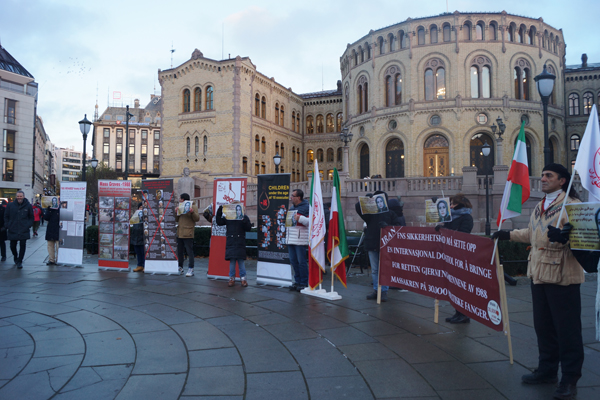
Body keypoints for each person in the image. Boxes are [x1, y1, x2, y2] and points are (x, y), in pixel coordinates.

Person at [492, 164, 584, 400]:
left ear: (562, 181)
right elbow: (532, 233)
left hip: (563, 277)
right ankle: (547, 370)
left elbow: (586, 238)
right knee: (544, 327)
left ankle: (570, 379)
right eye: (542, 175)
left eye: (548, 176)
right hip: (539, 274)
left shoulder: (572, 205)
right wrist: (507, 235)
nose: (542, 179)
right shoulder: (539, 206)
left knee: (567, 331)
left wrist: (567, 237)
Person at [355, 190, 402, 302]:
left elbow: (398, 227)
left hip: (385, 245)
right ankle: (376, 290)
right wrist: (366, 200)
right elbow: (358, 208)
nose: (379, 203)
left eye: (381, 200)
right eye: (377, 200)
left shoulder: (390, 213)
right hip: (372, 244)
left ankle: (384, 291)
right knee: (375, 270)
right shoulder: (370, 214)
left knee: (384, 269)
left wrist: (388, 226)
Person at [436, 194, 474, 323]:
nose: (450, 206)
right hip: (451, 254)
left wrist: (447, 229)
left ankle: (464, 314)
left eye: (452, 203)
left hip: (461, 256)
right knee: (453, 285)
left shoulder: (466, 217)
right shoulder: (450, 217)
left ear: (459, 204)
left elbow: (463, 235)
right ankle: (458, 312)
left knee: (460, 285)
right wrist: (441, 228)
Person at [216, 204, 252, 287]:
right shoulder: (229, 218)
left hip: (240, 242)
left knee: (241, 261)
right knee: (232, 261)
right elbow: (219, 222)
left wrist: (245, 221)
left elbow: (248, 228)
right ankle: (231, 278)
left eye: (239, 209)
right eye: (237, 209)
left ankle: (243, 279)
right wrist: (220, 211)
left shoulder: (244, 217)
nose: (238, 211)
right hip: (231, 241)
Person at [4, 190, 34, 269]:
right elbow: (6, 216)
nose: (19, 198)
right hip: (12, 229)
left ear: (23, 197)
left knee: (22, 245)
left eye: (20, 196)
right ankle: (15, 256)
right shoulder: (10, 205)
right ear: (16, 197)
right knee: (12, 246)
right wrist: (7, 225)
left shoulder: (28, 206)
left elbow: (31, 217)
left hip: (23, 229)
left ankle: (20, 261)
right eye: (18, 196)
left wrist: (28, 225)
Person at [287, 189, 310, 291]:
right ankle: (297, 281)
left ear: (299, 197)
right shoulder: (292, 207)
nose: (291, 197)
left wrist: (300, 218)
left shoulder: (307, 208)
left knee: (301, 262)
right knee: (294, 261)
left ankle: (304, 282)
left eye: (293, 196)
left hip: (300, 238)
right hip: (291, 237)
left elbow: (310, 222)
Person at [175, 193, 199, 276]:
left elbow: (197, 218)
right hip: (180, 232)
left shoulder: (193, 206)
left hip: (188, 233)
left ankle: (191, 268)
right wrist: (176, 212)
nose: (179, 200)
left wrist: (192, 212)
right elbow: (176, 219)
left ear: (183, 199)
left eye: (180, 199)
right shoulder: (180, 206)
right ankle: (180, 267)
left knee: (189, 252)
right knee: (180, 251)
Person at [131, 203, 145, 273]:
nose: (141, 209)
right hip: (136, 237)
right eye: (140, 207)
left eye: (142, 207)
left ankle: (145, 265)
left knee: (143, 252)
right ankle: (139, 265)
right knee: (138, 252)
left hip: (142, 237)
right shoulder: (135, 216)